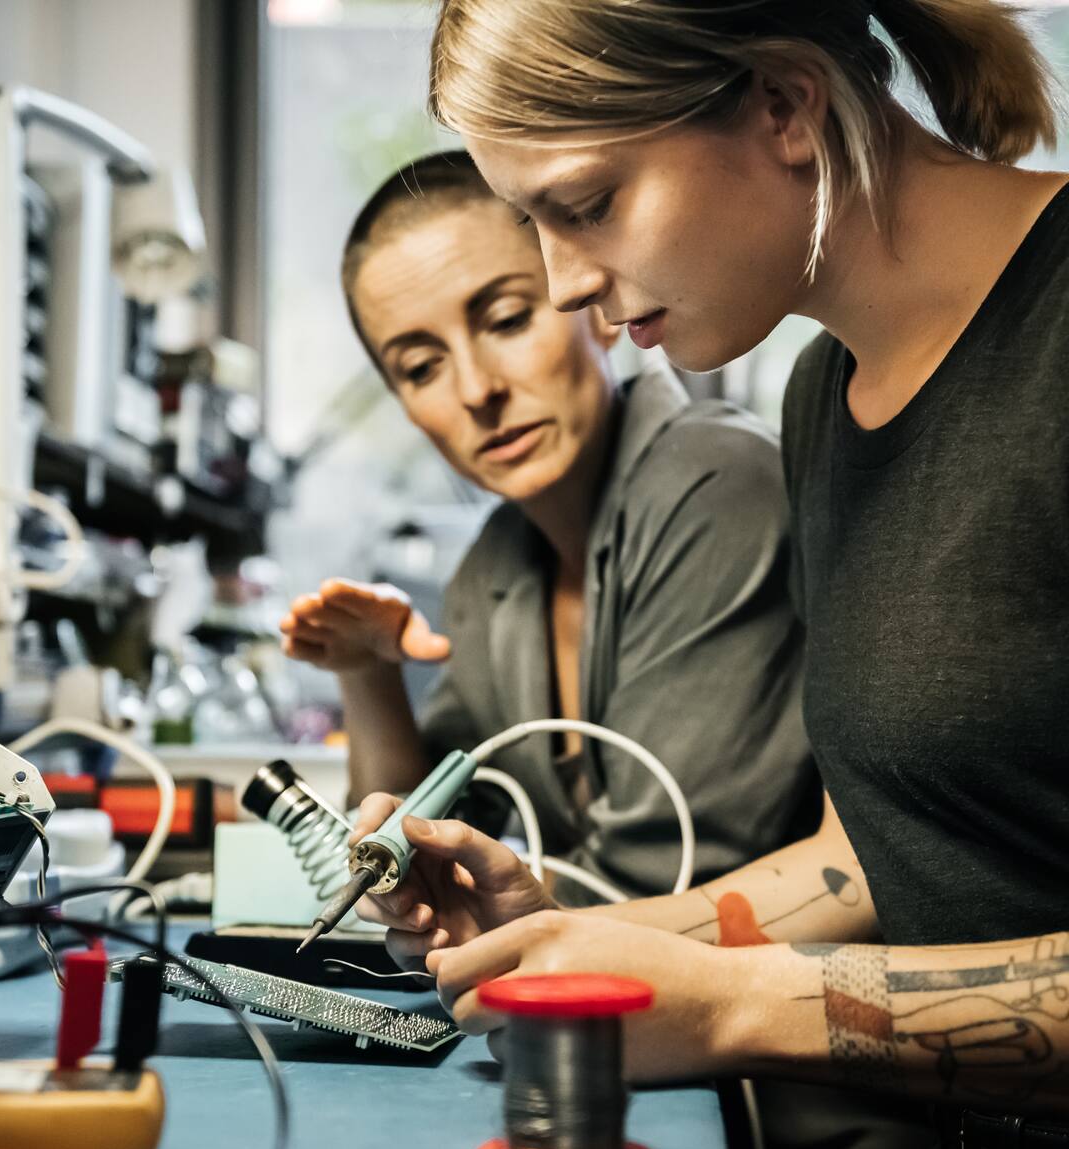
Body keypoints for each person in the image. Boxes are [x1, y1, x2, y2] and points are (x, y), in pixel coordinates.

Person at [351, 2, 1069, 1149]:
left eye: (586, 207)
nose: (567, 283)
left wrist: (744, 1006)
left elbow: (771, 992)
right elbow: (877, 860)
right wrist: (583, 941)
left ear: (785, 106)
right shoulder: (825, 399)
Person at [281, 150, 819, 901]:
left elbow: (667, 882)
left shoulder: (718, 483)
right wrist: (368, 675)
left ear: (592, 301)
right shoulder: (494, 568)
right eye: (421, 367)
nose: (476, 390)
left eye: (505, 320)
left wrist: (460, 910)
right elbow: (400, 856)